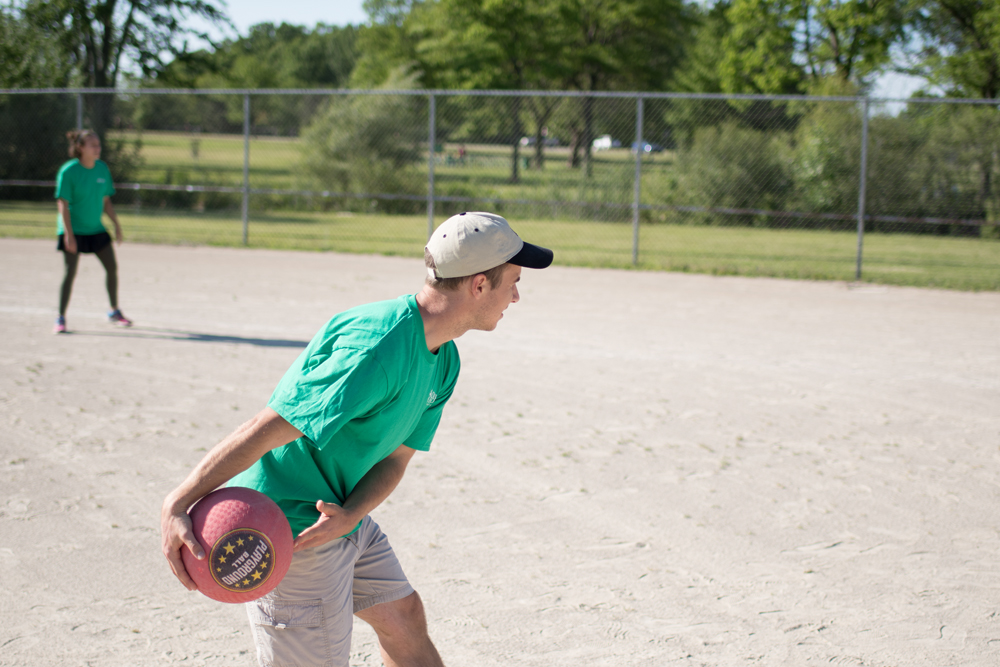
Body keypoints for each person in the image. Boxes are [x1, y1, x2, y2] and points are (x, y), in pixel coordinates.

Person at [161, 212, 553, 667]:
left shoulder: (443, 359)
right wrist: (178, 501)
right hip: (290, 530)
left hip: (341, 514)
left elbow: (395, 462)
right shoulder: (376, 349)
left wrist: (352, 515)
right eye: (513, 282)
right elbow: (266, 427)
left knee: (403, 619)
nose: (518, 296)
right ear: (479, 285)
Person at [53, 129, 132, 334]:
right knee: (70, 273)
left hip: (95, 229)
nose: (98, 148)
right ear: (80, 148)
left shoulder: (101, 169)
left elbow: (106, 200)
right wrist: (69, 235)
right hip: (73, 230)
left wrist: (116, 223)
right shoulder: (69, 171)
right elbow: (63, 204)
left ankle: (114, 311)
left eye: (98, 144)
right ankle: (60, 318)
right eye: (93, 145)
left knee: (112, 268)